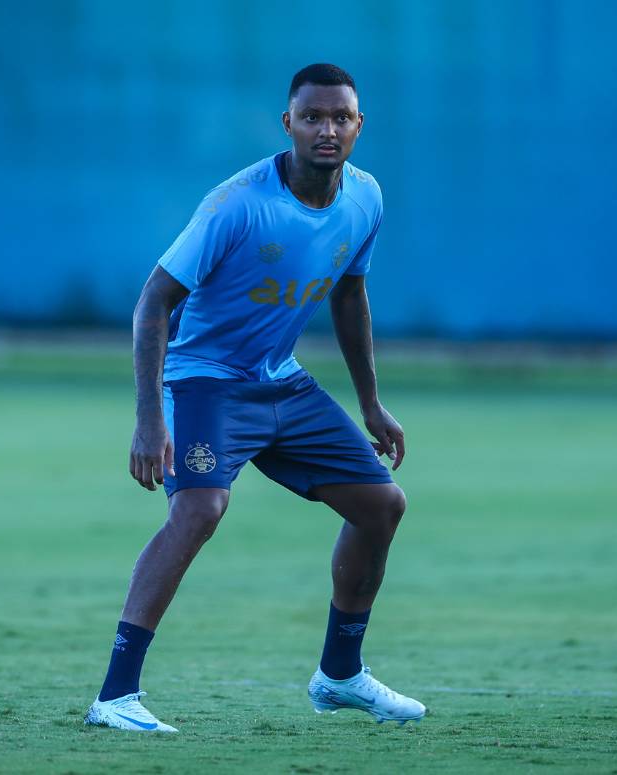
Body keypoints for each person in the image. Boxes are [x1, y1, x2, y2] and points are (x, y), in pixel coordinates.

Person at [85, 63, 425, 733]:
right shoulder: (237, 203)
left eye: (340, 117)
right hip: (206, 380)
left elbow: (350, 294)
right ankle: (116, 694)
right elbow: (154, 300)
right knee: (200, 509)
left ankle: (339, 674)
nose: (327, 128)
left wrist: (371, 402)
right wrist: (150, 417)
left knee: (382, 504)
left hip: (282, 381)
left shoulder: (366, 199)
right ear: (288, 124)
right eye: (312, 117)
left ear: (359, 125)